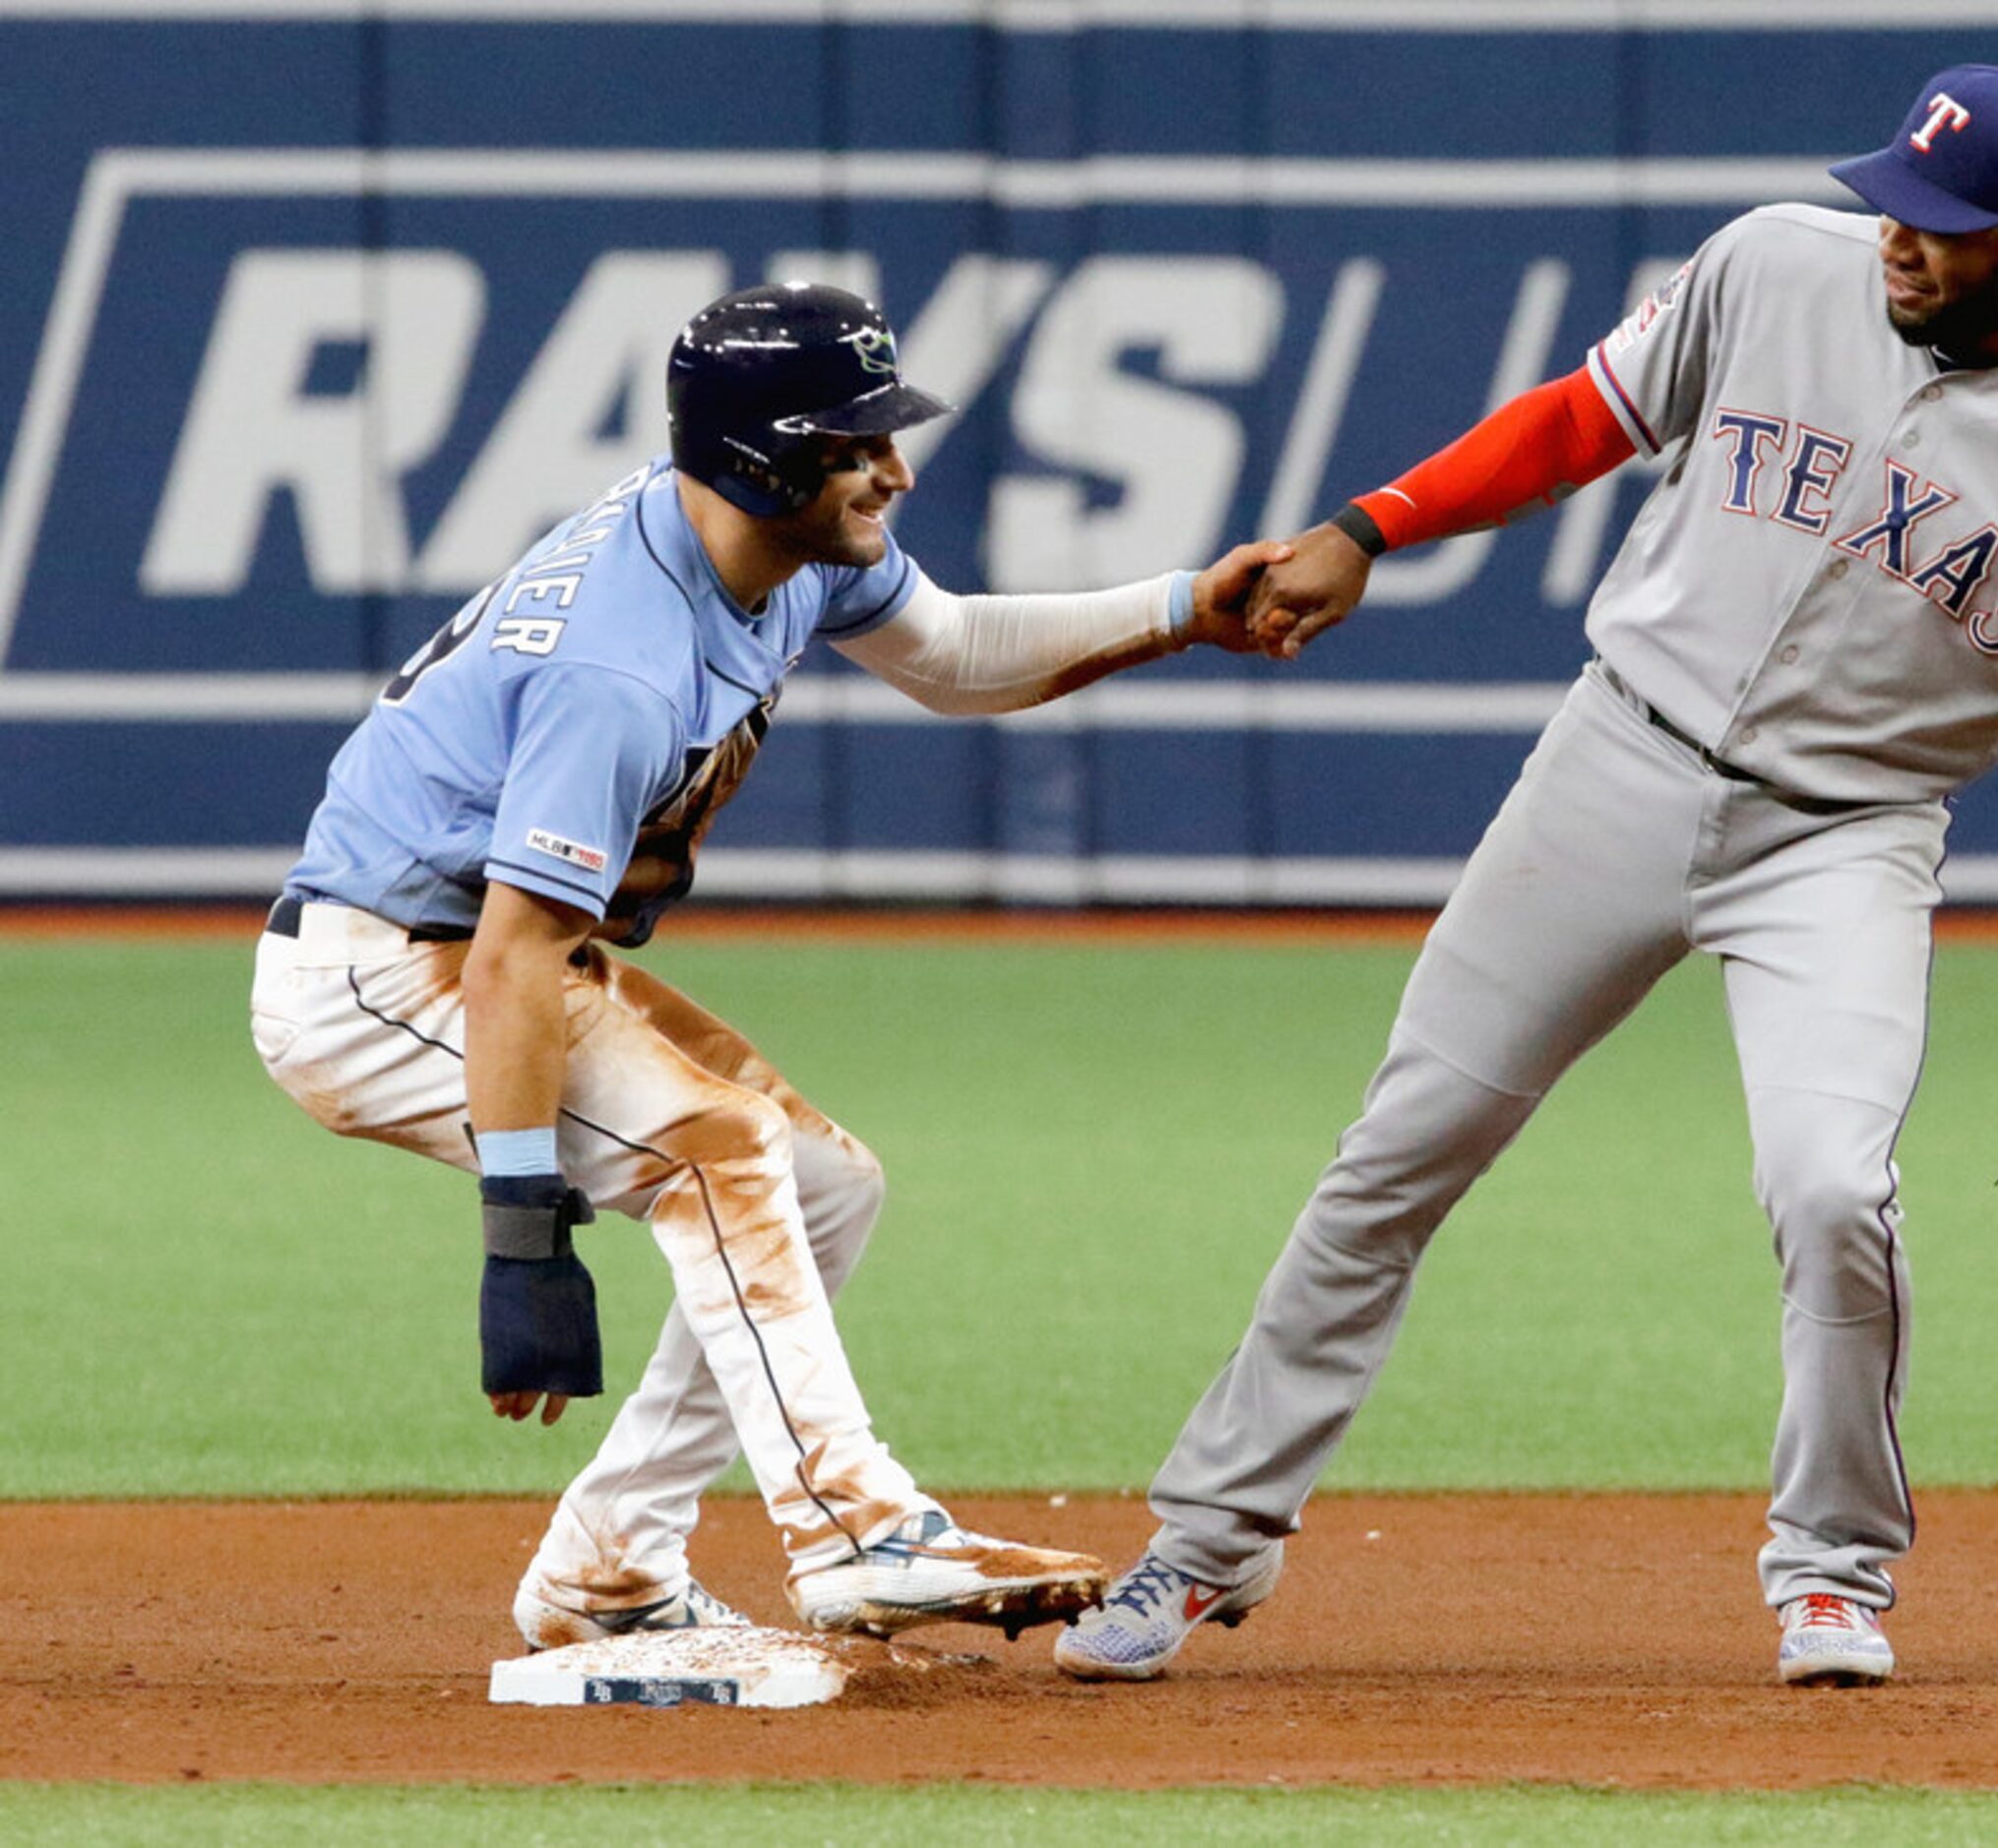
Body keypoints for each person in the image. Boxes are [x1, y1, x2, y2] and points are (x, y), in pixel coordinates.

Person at [1055, 64, 1998, 1689]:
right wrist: (1370, 524)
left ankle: (1830, 1571)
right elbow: (1577, 420)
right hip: (1615, 762)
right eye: (1894, 201)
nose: (1898, 239)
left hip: (1847, 837)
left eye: (1944, 225)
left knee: (1833, 1193)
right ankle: (1204, 1546)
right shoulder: (1772, 262)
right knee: (1397, 1150)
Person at [251, 281, 1285, 1649]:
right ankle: (855, 1528)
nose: (894, 470)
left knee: (819, 1178)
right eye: (857, 444)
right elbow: (510, 960)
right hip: (378, 979)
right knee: (721, 1148)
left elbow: (957, 652)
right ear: (761, 457)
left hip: (481, 951)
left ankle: (608, 1564)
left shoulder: (778, 547)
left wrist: (1179, 610)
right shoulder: (613, 662)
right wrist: (522, 1242)